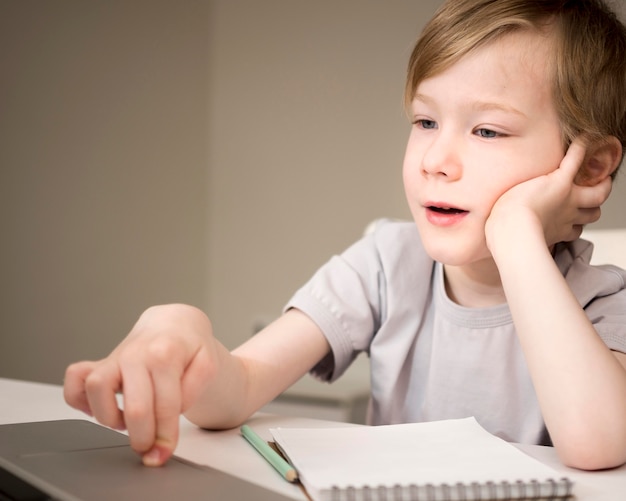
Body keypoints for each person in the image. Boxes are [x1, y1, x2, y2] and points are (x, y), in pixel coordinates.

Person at [64, 0, 626, 471]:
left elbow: (597, 444)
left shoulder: (603, 303)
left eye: (487, 129)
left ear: (590, 167)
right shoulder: (387, 263)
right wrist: (182, 335)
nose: (435, 159)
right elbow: (234, 392)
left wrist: (516, 236)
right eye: (425, 121)